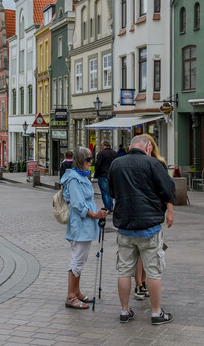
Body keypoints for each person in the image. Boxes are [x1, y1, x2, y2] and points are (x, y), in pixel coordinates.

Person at [108, 134, 176, 325]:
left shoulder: (116, 164)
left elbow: (111, 191)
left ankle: (124, 311)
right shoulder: (152, 164)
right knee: (153, 271)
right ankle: (155, 313)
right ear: (147, 148)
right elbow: (168, 190)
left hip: (125, 226)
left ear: (131, 147)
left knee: (124, 271)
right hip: (149, 227)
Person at [61, 146, 108, 310]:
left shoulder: (83, 176)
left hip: (86, 224)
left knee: (80, 258)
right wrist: (95, 215)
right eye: (88, 159)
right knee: (77, 259)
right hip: (80, 225)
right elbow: (78, 204)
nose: (91, 162)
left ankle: (77, 292)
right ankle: (71, 296)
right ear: (81, 161)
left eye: (91, 158)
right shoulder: (74, 179)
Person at [94, 141, 118, 214]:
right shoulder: (115, 153)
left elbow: (98, 165)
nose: (101, 147)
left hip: (103, 175)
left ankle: (108, 207)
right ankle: (110, 206)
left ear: (104, 146)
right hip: (112, 175)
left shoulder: (101, 154)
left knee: (104, 192)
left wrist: (96, 174)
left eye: (101, 145)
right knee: (110, 191)